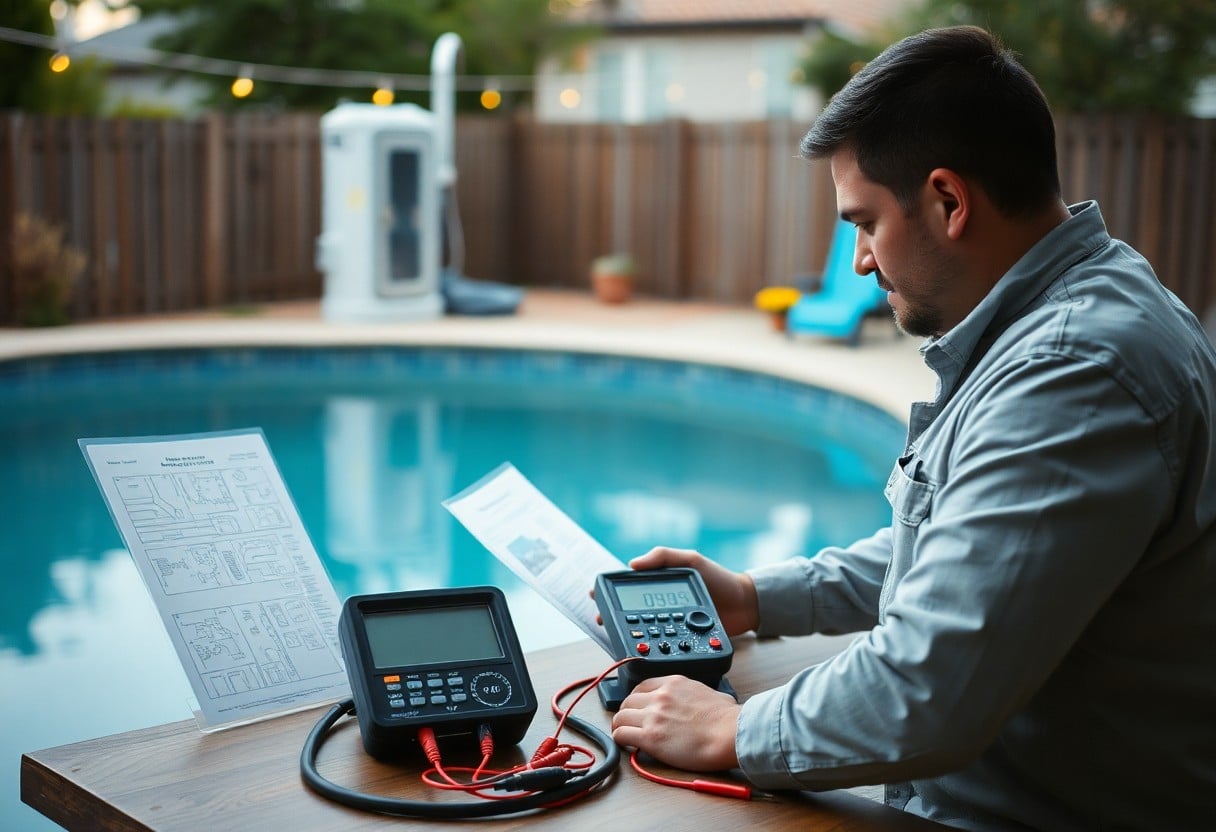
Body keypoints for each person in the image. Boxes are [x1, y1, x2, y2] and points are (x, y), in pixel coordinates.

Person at [608, 25, 1216, 831]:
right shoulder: (1077, 309)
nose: (860, 259)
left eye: (864, 222)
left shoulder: (1072, 373)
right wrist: (760, 598)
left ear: (948, 201)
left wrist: (730, 726)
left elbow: (929, 693)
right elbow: (973, 545)